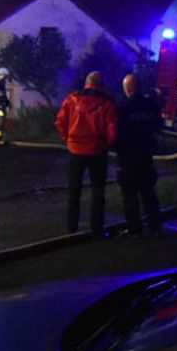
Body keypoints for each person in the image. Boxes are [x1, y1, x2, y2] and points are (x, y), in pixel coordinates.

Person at [55, 71, 118, 237]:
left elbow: (60, 122)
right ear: (101, 85)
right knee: (98, 192)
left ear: (86, 83)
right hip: (97, 152)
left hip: (75, 151)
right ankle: (97, 229)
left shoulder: (72, 99)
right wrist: (106, 145)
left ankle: (71, 229)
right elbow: (112, 130)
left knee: (73, 191)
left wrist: (67, 139)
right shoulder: (107, 104)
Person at [116, 73, 164, 237]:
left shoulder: (122, 108)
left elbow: (116, 132)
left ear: (127, 89)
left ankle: (134, 229)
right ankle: (155, 226)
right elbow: (159, 126)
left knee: (130, 194)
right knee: (148, 191)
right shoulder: (151, 105)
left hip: (127, 155)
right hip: (146, 154)